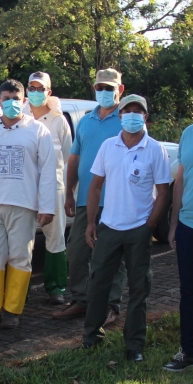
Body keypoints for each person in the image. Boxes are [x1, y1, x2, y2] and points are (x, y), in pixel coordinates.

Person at [83, 95, 171, 361]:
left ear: (145, 116)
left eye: (138, 111)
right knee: (98, 284)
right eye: (127, 111)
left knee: (138, 288)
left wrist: (150, 225)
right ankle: (91, 338)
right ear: (119, 116)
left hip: (139, 229)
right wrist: (90, 222)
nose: (132, 115)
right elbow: (95, 185)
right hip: (109, 227)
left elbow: (163, 191)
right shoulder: (108, 146)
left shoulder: (155, 149)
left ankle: (134, 345)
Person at [0, 79, 56, 330]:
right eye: (7, 98)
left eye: (16, 99)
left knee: (19, 257)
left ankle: (12, 311)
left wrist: (47, 207)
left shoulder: (38, 131)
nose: (12, 103)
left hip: (23, 204)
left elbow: (48, 171)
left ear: (24, 101)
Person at [53, 68, 128, 325]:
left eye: (110, 88)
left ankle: (111, 305)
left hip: (117, 200)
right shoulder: (85, 121)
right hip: (87, 199)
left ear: (120, 90)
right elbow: (74, 159)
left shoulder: (127, 119)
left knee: (112, 255)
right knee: (76, 251)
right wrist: (70, 194)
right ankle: (82, 300)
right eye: (100, 88)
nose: (104, 92)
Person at [164, 77, 193, 372]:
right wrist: (174, 222)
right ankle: (189, 352)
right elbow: (180, 181)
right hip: (190, 227)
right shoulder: (189, 134)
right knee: (191, 292)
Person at [22, 72, 72, 305]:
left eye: (40, 88)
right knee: (22, 239)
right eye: (31, 87)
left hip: (54, 188)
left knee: (55, 236)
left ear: (48, 92)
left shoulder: (59, 120)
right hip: (25, 188)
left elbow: (67, 155)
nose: (34, 92)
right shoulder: (20, 116)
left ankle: (55, 287)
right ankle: (21, 289)